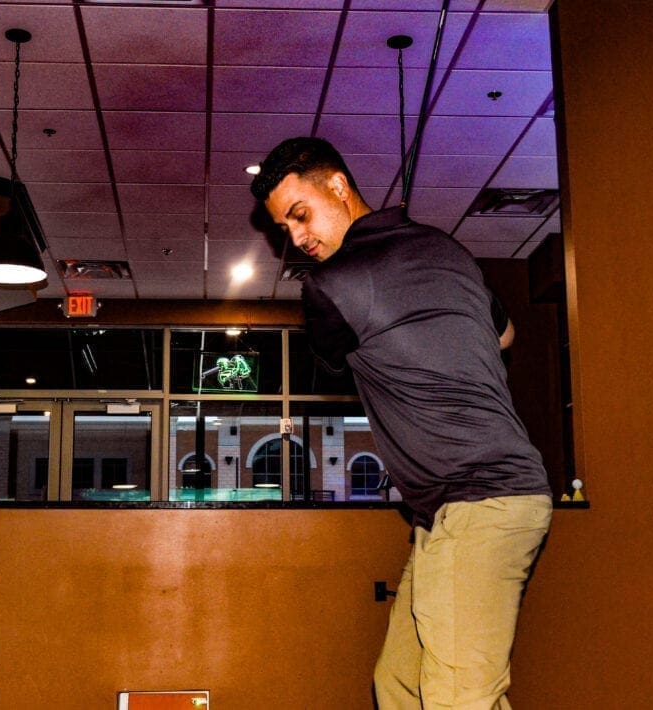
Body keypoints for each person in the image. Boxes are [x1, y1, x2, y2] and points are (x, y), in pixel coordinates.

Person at [250, 137, 553, 709]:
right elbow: (506, 334)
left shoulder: (329, 286)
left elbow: (335, 357)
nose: (296, 238)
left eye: (299, 215)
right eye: (282, 229)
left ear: (338, 186)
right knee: (400, 684)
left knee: (459, 701)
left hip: (480, 502)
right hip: (458, 509)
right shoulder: (446, 249)